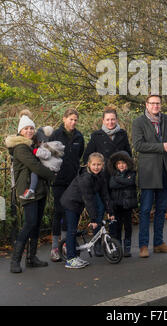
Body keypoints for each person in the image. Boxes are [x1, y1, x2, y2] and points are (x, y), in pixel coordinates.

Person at [5, 110, 56, 273]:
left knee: (36, 224)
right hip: (27, 190)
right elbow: (36, 166)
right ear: (20, 131)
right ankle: (15, 260)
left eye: (31, 129)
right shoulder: (20, 147)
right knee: (29, 223)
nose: (29, 131)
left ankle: (31, 257)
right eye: (26, 129)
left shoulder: (33, 145)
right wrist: (53, 176)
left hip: (40, 189)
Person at [132, 94, 167, 258]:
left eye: (158, 103)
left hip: (165, 171)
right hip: (149, 172)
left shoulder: (166, 119)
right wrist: (161, 147)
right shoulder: (138, 122)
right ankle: (144, 246)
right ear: (147, 105)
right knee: (145, 210)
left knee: (161, 209)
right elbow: (138, 145)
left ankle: (159, 243)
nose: (156, 106)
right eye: (152, 103)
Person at [83, 108, 132, 255]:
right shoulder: (96, 136)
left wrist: (125, 173)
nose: (110, 122)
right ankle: (98, 244)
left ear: (116, 120)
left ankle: (115, 244)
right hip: (100, 180)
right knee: (99, 211)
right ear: (103, 121)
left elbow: (128, 156)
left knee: (115, 213)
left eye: (113, 119)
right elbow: (87, 157)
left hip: (117, 181)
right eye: (107, 119)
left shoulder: (122, 135)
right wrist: (95, 171)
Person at [60, 153, 114, 268]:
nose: (96, 167)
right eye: (94, 164)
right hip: (71, 202)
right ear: (88, 164)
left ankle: (75, 255)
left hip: (78, 203)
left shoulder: (100, 176)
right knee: (72, 230)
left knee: (74, 229)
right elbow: (89, 199)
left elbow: (105, 194)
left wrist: (110, 211)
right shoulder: (85, 177)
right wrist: (94, 219)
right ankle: (70, 259)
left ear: (103, 165)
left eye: (99, 164)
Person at [48, 109, 85, 262]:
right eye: (70, 119)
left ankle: (65, 244)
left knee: (69, 212)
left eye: (75, 120)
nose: (73, 122)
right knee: (58, 212)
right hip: (58, 181)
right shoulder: (56, 135)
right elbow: (48, 155)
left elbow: (79, 155)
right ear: (64, 119)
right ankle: (55, 247)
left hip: (72, 181)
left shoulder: (79, 136)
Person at [107, 151, 138, 257]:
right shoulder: (113, 174)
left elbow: (131, 182)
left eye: (124, 163)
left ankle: (127, 246)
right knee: (118, 226)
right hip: (117, 205)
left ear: (128, 164)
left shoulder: (131, 174)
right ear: (116, 165)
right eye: (119, 163)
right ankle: (118, 246)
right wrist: (124, 181)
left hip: (127, 205)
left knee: (128, 226)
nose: (121, 165)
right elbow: (112, 184)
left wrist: (118, 180)